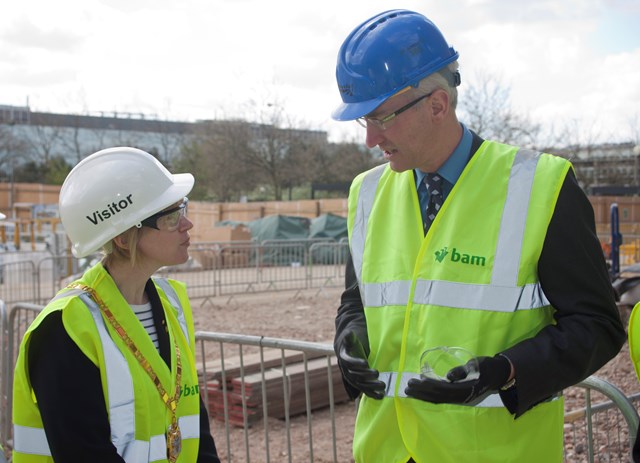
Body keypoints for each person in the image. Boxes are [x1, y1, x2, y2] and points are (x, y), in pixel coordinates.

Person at [331, 9, 626, 463]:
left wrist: (506, 371)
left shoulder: (541, 187)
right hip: (387, 450)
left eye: (381, 117)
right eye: (363, 120)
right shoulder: (366, 193)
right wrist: (348, 336)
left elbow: (598, 325)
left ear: (436, 105)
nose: (371, 138)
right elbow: (359, 300)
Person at [12, 147, 220, 463]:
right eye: (171, 215)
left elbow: (195, 427)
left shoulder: (170, 304)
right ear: (123, 238)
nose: (187, 224)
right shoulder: (63, 329)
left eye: (183, 209)